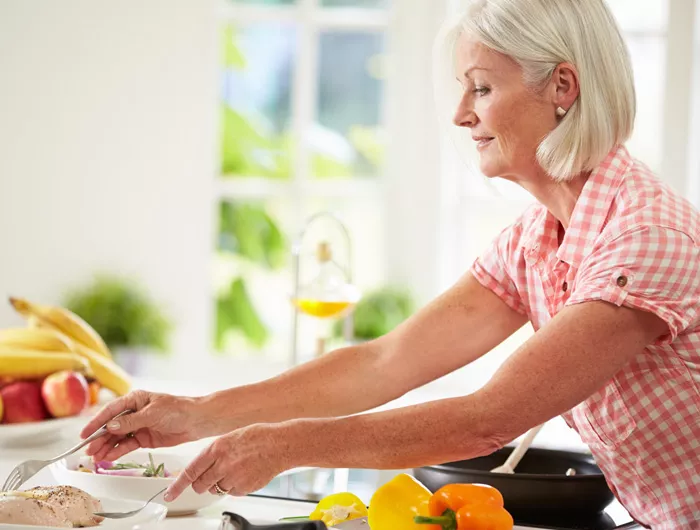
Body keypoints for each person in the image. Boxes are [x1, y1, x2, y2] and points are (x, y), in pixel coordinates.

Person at [81, 0, 700, 527]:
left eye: (481, 88)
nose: (462, 115)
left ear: (562, 87)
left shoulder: (645, 237)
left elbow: (490, 420)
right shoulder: (537, 240)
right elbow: (386, 361)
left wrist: (286, 445)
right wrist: (198, 412)